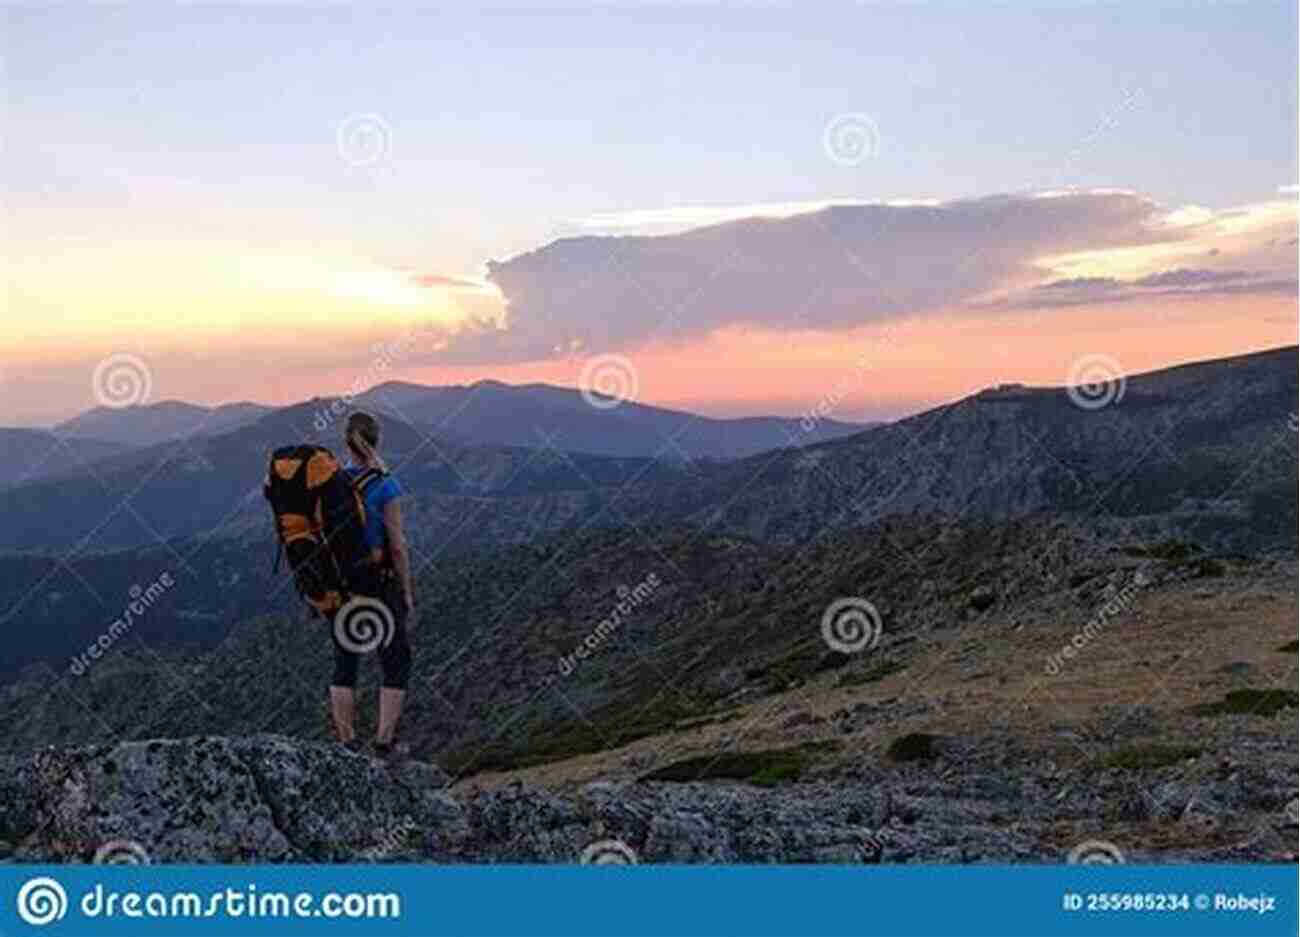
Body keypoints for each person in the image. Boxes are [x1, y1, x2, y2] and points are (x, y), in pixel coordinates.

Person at [329, 410, 415, 758]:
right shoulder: (386, 484)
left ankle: (346, 743)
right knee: (395, 660)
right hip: (380, 583)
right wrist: (406, 589)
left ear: (346, 444)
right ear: (377, 440)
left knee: (345, 661)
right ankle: (383, 742)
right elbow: (396, 544)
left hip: (344, 585)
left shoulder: (334, 485)